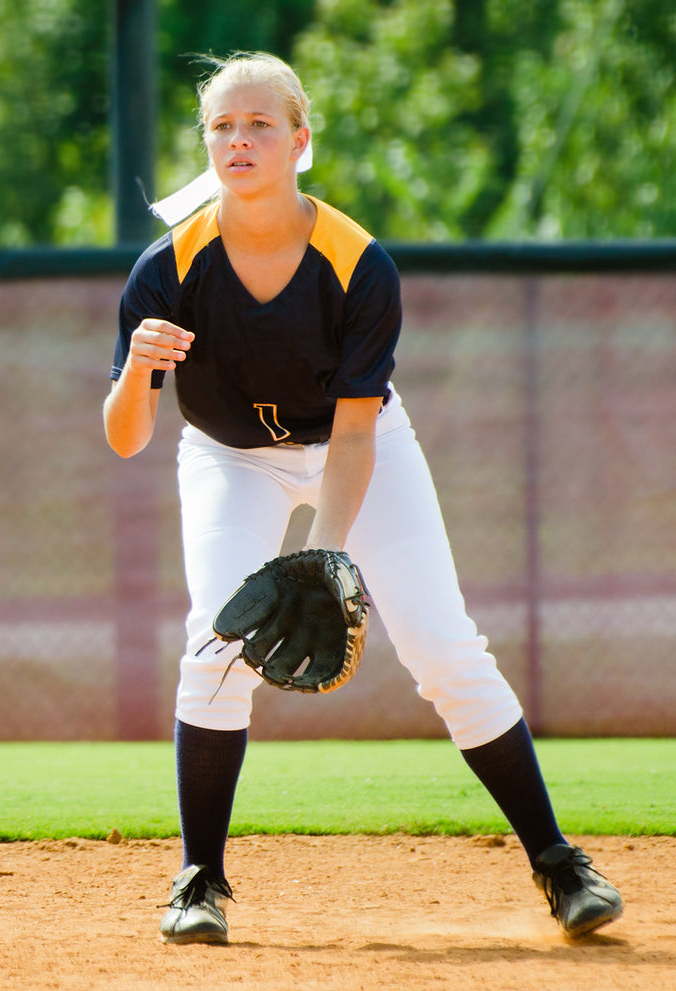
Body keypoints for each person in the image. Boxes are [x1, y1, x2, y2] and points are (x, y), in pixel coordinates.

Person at [102, 53, 623, 945]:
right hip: (231, 458)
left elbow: (351, 434)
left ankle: (558, 862)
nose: (240, 140)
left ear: (300, 142)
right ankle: (200, 880)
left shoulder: (356, 263)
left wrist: (324, 553)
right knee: (212, 646)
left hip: (360, 443)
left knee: (443, 646)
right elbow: (126, 436)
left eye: (261, 124)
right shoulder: (168, 268)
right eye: (223, 127)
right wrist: (136, 373)